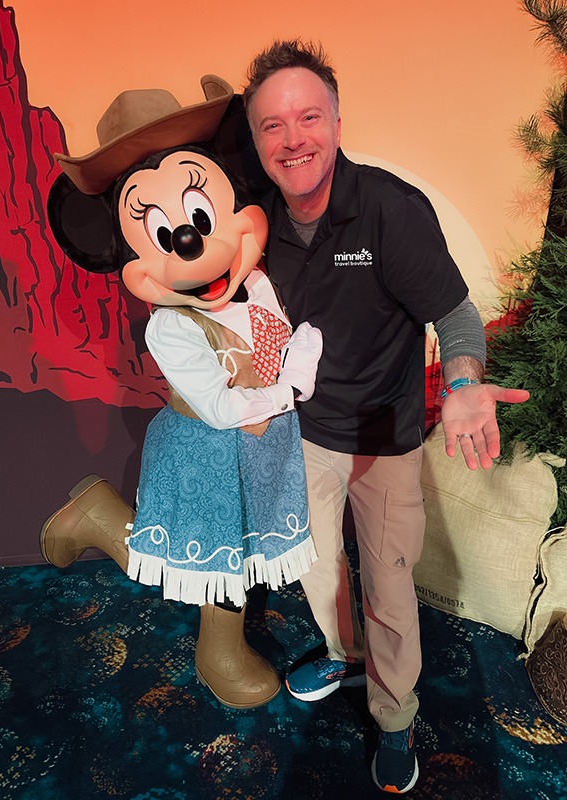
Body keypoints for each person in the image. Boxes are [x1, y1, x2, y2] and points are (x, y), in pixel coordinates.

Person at [241, 39, 530, 794]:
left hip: (384, 436)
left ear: (337, 123)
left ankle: (395, 716)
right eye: (273, 125)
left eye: (309, 117)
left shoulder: (390, 210)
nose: (293, 138)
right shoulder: (257, 219)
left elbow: (456, 317)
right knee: (312, 564)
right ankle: (347, 655)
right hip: (305, 429)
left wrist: (462, 382)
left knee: (390, 584)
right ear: (257, 140)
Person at [40, 77, 322, 710]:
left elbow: (282, 345)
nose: (193, 245)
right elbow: (221, 406)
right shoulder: (171, 326)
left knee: (237, 548)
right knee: (207, 557)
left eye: (201, 217)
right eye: (165, 233)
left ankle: (96, 511)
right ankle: (216, 651)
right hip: (204, 453)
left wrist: (296, 360)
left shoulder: (259, 286)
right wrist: (284, 390)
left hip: (259, 449)